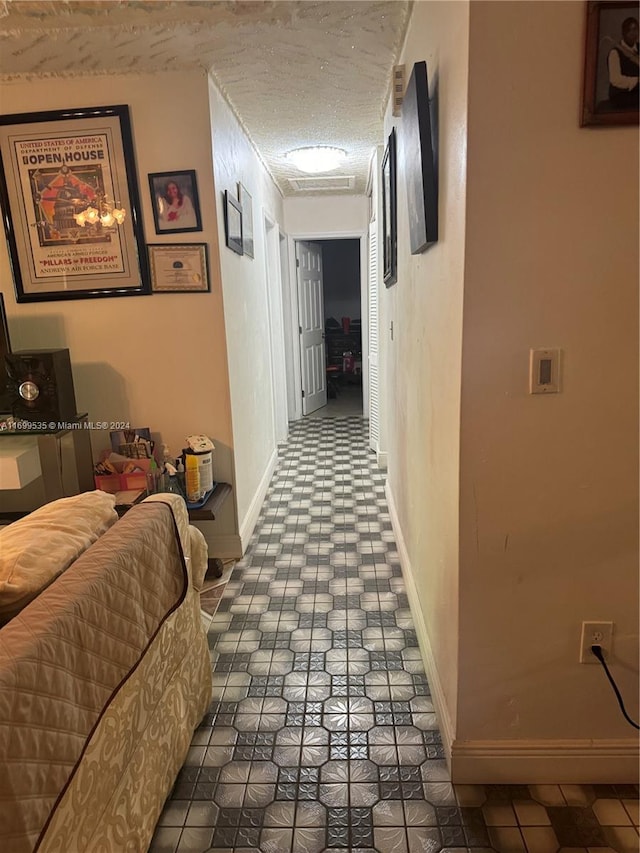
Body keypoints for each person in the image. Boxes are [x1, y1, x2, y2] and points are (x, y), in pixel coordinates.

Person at [607, 16, 639, 110]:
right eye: (629, 30)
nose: (633, 33)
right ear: (623, 33)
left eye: (635, 29)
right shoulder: (615, 53)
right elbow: (615, 80)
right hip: (621, 95)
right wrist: (637, 80)